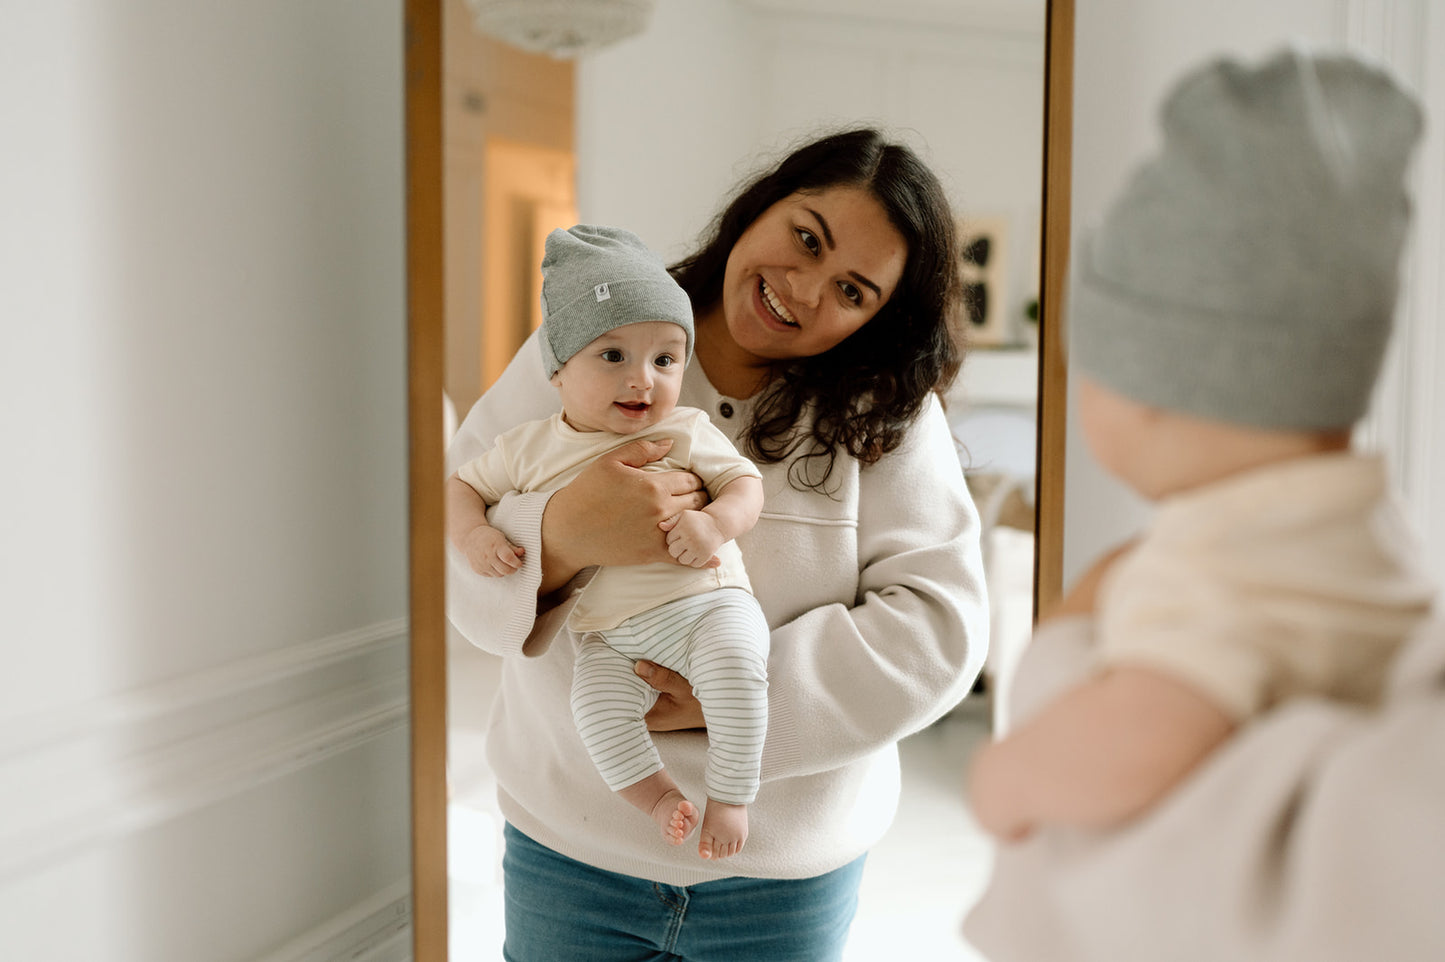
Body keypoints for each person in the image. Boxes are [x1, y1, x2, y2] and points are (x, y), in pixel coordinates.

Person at [446, 127, 989, 961]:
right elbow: (452, 543)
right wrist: (557, 539)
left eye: (851, 290)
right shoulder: (602, 333)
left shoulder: (888, 410)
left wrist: (734, 698)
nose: (803, 290)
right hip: (570, 850)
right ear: (760, 203)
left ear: (877, 319)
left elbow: (939, 630)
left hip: (781, 874)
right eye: (805, 237)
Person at [964, 48, 1445, 962]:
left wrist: (1006, 777)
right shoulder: (1370, 525)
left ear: (1152, 388)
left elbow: (1152, 731)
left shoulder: (1217, 555)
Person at [449, 224, 770, 861]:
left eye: (665, 359)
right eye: (613, 356)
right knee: (594, 711)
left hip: (709, 605)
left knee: (737, 675)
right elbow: (458, 486)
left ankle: (732, 799)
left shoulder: (686, 429)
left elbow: (745, 484)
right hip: (611, 636)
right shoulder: (529, 448)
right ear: (559, 371)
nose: (643, 380)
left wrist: (715, 524)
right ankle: (658, 798)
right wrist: (475, 533)